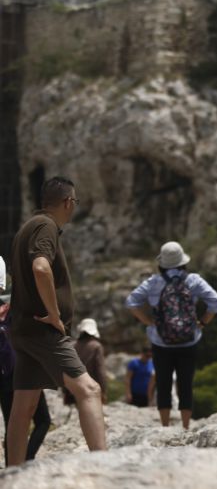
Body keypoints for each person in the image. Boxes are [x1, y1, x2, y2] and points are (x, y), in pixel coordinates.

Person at [5, 176, 106, 466]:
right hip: (43, 329)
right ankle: (105, 467)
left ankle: (12, 474)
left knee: (23, 407)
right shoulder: (46, 226)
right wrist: (54, 314)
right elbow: (41, 267)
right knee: (89, 390)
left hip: (21, 329)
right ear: (68, 202)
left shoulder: (26, 228)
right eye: (75, 202)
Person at [125, 240, 217, 429]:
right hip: (188, 340)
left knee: (163, 382)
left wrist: (148, 322)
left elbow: (131, 302)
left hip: (161, 341)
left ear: (162, 263)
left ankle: (165, 426)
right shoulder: (193, 280)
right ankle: (185, 426)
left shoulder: (154, 282)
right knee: (185, 383)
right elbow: (216, 302)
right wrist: (202, 322)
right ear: (183, 262)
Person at [1, 292, 53, 466]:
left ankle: (11, 467)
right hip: (24, 374)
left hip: (4, 379)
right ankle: (26, 460)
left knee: (11, 425)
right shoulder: (14, 313)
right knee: (43, 420)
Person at [62, 318, 107, 405]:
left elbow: (65, 368)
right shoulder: (96, 346)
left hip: (72, 388)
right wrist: (103, 391)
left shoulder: (71, 345)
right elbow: (100, 371)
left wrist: (65, 390)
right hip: (90, 388)